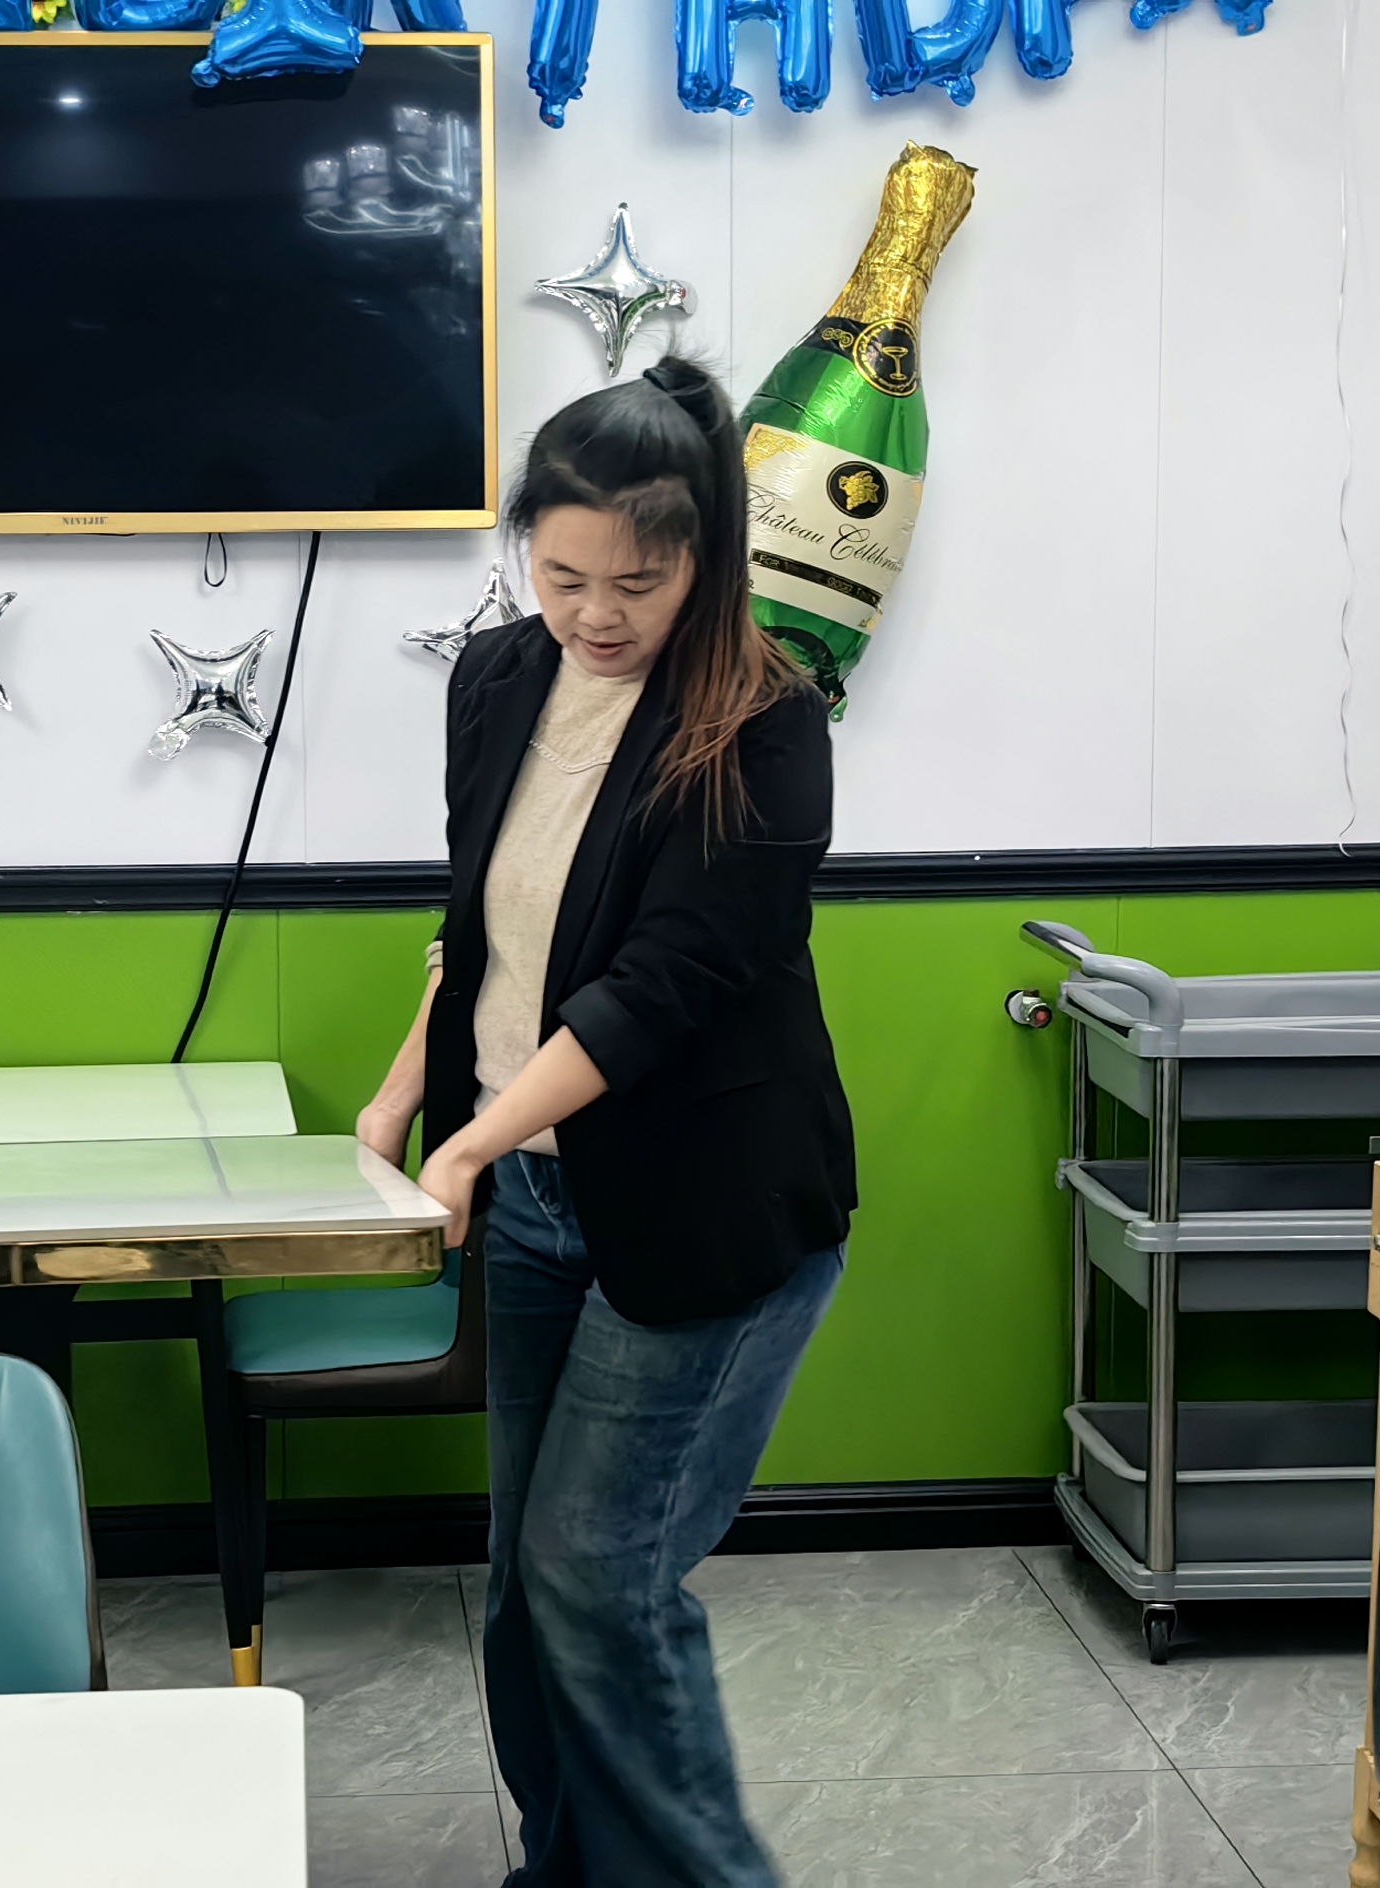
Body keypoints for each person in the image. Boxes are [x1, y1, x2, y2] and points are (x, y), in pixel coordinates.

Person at [354, 357, 854, 1885]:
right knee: (529, 1583)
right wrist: (404, 1097)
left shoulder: (766, 723)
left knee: (600, 1572)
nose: (594, 614)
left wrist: (468, 1140)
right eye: (561, 575)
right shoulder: (498, 679)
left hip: (705, 1205)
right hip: (535, 1201)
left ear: (705, 557)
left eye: (635, 583)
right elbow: (481, 933)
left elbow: (660, 990)